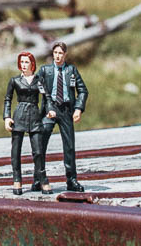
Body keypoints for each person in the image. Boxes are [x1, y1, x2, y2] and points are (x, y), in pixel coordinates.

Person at [34, 40, 88, 193]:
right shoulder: (45, 70)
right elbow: (36, 86)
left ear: (65, 54)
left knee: (69, 146)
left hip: (65, 110)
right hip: (49, 110)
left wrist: (78, 108)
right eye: (55, 53)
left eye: (60, 53)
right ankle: (38, 178)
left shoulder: (71, 70)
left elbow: (83, 90)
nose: (57, 56)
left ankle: (71, 179)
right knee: (41, 142)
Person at [3, 51, 47, 195]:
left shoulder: (39, 80)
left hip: (34, 115)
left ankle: (43, 178)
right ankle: (17, 179)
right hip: (20, 115)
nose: (23, 65)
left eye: (26, 62)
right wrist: (7, 117)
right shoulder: (15, 80)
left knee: (38, 151)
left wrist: (44, 113)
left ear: (32, 64)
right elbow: (8, 99)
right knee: (16, 150)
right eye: (21, 62)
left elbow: (46, 98)